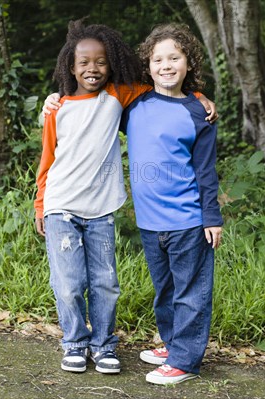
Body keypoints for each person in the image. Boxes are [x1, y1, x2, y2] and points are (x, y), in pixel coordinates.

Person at [36, 19, 217, 375]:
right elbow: (60, 145)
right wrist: (40, 203)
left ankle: (145, 354)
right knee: (85, 284)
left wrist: (200, 96)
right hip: (100, 213)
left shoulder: (144, 102)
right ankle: (90, 343)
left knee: (137, 287)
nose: (92, 69)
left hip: (144, 214)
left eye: (100, 61)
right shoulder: (89, 106)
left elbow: (203, 162)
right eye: (83, 63)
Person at [119, 23, 223, 385]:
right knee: (165, 290)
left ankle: (185, 361)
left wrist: (212, 217)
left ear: (188, 64)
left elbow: (206, 170)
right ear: (147, 65)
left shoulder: (199, 114)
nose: (166, 65)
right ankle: (174, 342)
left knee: (191, 293)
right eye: (158, 58)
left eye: (174, 58)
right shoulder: (132, 105)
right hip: (150, 222)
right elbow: (91, 103)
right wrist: (56, 100)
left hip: (188, 220)